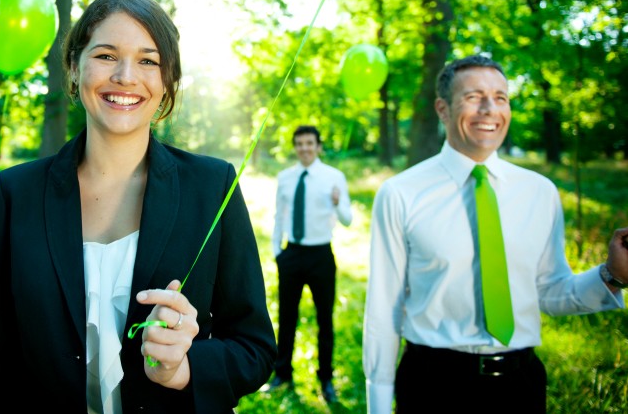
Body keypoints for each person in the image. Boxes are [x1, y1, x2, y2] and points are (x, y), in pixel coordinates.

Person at [0, 0, 276, 414]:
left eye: (148, 61)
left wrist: (184, 369)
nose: (126, 76)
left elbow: (254, 347)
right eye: (106, 55)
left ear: (167, 82)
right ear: (75, 68)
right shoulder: (14, 193)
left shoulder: (213, 186)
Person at [363, 54, 628, 414]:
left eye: (500, 98)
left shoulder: (540, 192)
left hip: (520, 386)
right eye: (473, 97)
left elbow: (549, 292)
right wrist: (378, 405)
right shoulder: (400, 193)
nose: (489, 109)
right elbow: (383, 309)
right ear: (443, 109)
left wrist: (612, 276)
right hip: (432, 385)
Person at [265, 125, 352, 403]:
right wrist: (277, 252)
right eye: (300, 143)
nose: (305, 148)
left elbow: (348, 219)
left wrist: (338, 203)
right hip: (291, 255)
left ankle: (326, 378)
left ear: (318, 146)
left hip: (321, 256)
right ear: (295, 147)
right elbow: (279, 216)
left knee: (324, 319)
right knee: (286, 316)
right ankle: (282, 374)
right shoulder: (285, 178)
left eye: (309, 143)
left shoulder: (334, 177)